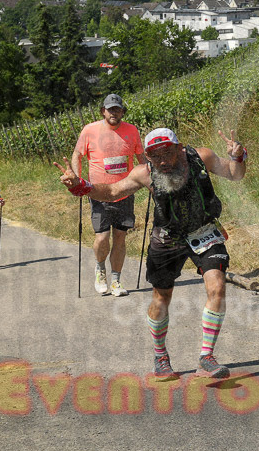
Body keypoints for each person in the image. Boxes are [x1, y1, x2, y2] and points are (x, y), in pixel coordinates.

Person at [56, 127, 247, 379]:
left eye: (167, 153)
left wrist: (238, 156)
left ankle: (206, 357)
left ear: (180, 148)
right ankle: (161, 357)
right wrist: (81, 186)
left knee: (217, 287)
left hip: (204, 232)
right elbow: (113, 192)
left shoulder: (202, 157)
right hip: (167, 239)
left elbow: (235, 174)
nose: (163, 161)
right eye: (155, 156)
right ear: (147, 157)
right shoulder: (144, 173)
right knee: (161, 298)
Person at [71, 93, 145, 297]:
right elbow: (77, 154)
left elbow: (142, 158)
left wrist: (149, 178)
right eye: (110, 109)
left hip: (125, 192)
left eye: (117, 109)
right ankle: (100, 270)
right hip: (99, 193)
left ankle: (116, 281)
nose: (114, 112)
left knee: (120, 237)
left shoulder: (132, 130)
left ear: (122, 111)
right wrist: (79, 181)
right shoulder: (90, 130)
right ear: (103, 111)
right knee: (102, 236)